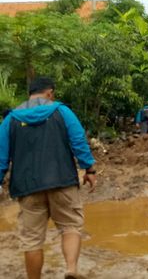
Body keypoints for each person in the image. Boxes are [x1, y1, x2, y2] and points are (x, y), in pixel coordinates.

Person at [0, 77, 96, 279]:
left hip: (27, 187)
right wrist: (89, 170)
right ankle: (70, 269)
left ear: (30, 93)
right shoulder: (62, 111)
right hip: (62, 181)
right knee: (70, 226)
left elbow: (1, 156)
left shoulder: (11, 119)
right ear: (50, 93)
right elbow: (78, 141)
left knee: (32, 240)